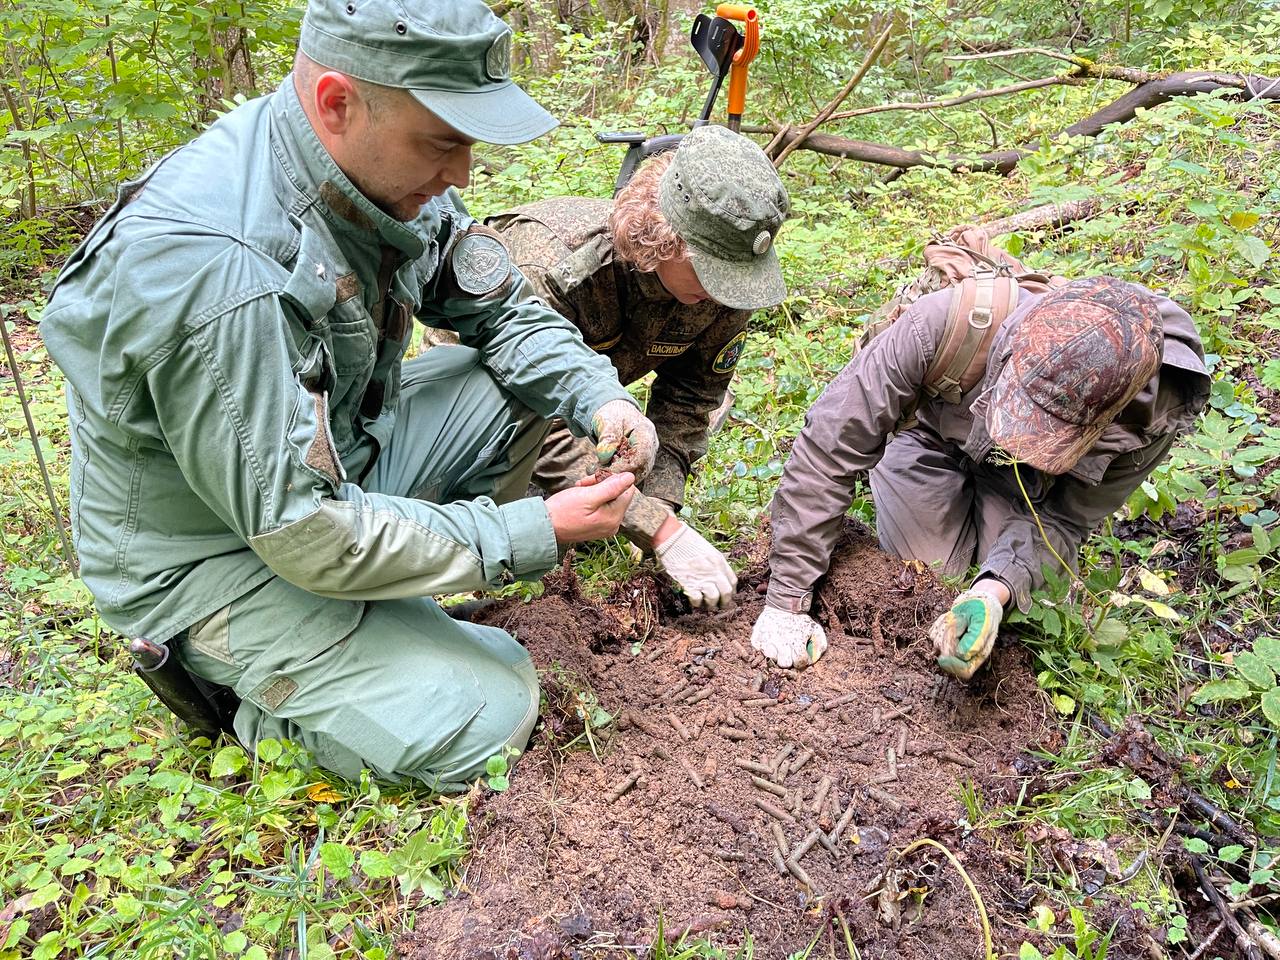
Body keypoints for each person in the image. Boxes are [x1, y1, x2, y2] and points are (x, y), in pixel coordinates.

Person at [39, 0, 664, 789]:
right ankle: (249, 703)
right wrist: (526, 529)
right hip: (217, 559)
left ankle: (384, 619)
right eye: (444, 141)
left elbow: (502, 309)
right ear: (337, 102)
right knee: (490, 714)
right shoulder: (224, 270)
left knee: (513, 382)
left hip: (327, 468)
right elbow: (302, 531)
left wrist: (600, 397)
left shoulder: (377, 175)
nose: (462, 173)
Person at [750, 275, 1210, 678]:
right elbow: (829, 445)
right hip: (930, 437)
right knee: (928, 575)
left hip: (1025, 482)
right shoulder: (940, 325)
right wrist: (787, 597)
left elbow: (1067, 520)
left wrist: (994, 591)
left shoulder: (1149, 414)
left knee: (1025, 602)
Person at [484, 126, 791, 609]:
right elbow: (530, 419)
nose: (720, 295)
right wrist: (652, 525)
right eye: (709, 274)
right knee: (513, 530)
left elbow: (690, 401)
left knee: (598, 512)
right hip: (488, 402)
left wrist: (660, 503)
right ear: (664, 239)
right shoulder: (554, 264)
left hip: (593, 404)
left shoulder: (726, 285)